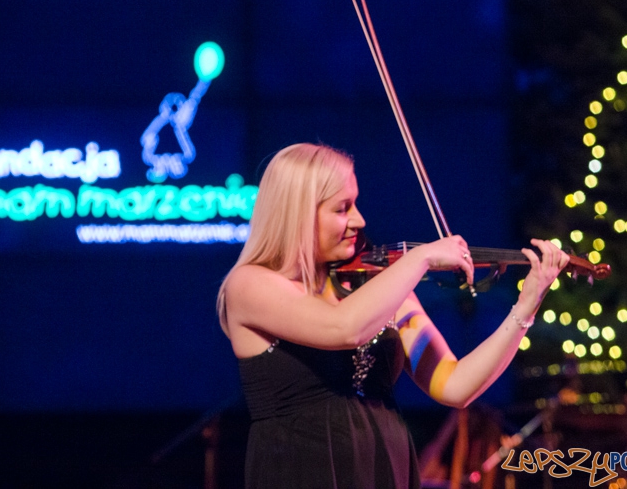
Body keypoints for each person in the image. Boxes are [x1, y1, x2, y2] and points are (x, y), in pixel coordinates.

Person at [216, 143, 569, 489]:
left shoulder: (372, 284)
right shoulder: (249, 285)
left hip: (384, 468)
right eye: (342, 208)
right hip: (300, 471)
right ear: (299, 214)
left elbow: (455, 385)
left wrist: (525, 307)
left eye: (355, 204)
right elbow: (343, 328)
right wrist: (421, 258)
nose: (360, 220)